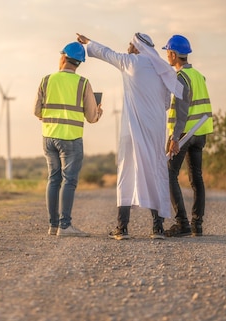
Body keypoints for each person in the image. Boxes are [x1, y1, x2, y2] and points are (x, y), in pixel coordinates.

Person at [76, 32, 183, 240]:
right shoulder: (162, 69)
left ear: (137, 47)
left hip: (131, 129)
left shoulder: (129, 62)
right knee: (155, 172)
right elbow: (166, 103)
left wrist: (88, 43)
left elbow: (106, 53)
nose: (128, 47)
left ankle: (122, 228)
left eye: (130, 45)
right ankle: (157, 228)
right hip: (154, 130)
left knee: (126, 172)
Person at [34, 42, 103, 237]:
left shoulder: (46, 80)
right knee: (69, 181)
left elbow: (36, 111)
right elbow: (91, 117)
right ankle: (65, 226)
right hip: (71, 139)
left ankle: (53, 226)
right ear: (79, 62)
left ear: (63, 57)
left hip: (49, 137)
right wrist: (99, 112)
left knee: (53, 179)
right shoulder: (83, 83)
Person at [162, 34, 213, 237]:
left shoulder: (180, 78)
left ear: (173, 55)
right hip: (200, 133)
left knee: (169, 174)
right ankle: (197, 225)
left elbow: (182, 112)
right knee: (196, 178)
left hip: (184, 134)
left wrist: (174, 139)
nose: (167, 55)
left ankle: (182, 222)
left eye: (167, 52)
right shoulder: (199, 76)